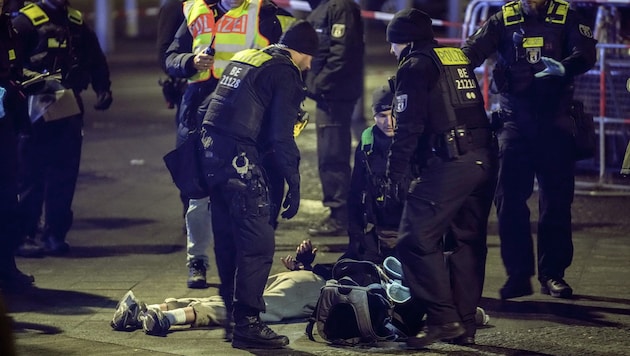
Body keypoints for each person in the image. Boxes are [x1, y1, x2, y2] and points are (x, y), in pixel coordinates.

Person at [461, 0, 597, 300]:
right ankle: (519, 275)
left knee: (556, 203)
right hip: (514, 125)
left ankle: (553, 274)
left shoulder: (567, 17)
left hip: (556, 122)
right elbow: (471, 52)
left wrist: (565, 67)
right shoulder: (503, 19)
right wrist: (449, 68)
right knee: (508, 200)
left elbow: (586, 54)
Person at [198, 20, 318, 349]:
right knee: (258, 241)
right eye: (309, 58)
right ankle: (248, 322)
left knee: (226, 239)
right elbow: (281, 138)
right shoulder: (286, 72)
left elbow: (205, 108)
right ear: (302, 52)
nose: (309, 65)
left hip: (213, 157)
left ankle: (232, 319)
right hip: (241, 161)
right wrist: (294, 184)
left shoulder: (247, 57)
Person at [385, 8, 498, 347]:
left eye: (392, 43)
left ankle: (443, 318)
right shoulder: (453, 56)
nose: (391, 51)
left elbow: (407, 127)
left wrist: (395, 173)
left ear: (403, 41)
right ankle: (464, 326)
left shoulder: (414, 66)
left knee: (414, 238)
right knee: (467, 243)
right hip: (484, 157)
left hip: (453, 160)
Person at [164, 0, 286, 289]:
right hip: (197, 113)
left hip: (243, 115)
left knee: (242, 190)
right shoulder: (198, 12)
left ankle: (242, 264)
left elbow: (281, 60)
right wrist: (189, 62)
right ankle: (197, 261)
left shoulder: (263, 13)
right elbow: (170, 57)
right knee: (197, 195)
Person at [11, 0, 113, 256]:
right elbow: (9, 66)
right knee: (29, 176)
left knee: (64, 175)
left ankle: (55, 234)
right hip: (32, 110)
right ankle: (24, 234)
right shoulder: (24, 22)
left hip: (67, 105)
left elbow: (94, 57)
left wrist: (103, 87)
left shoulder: (75, 21)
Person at [110, 240, 326, 335]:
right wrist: (305, 266)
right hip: (316, 286)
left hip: (311, 280)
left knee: (241, 301)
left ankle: (143, 312)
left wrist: (304, 266)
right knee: (254, 307)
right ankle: (166, 318)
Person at [304, 0, 365, 237]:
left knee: (332, 155)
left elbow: (341, 52)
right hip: (329, 93)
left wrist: (317, 85)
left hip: (334, 94)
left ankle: (340, 216)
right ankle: (341, 213)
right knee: (330, 153)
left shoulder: (340, 7)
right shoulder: (324, 6)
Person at [346, 85, 403, 264]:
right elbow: (355, 191)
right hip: (380, 231)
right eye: (382, 116)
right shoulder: (367, 143)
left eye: (393, 114)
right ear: (374, 115)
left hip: (412, 232)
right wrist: (355, 235)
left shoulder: (415, 139)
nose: (389, 122)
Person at [0, 0, 35, 290]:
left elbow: (11, 69)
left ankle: (6, 266)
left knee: (8, 197)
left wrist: (21, 86)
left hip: (5, 125)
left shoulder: (7, 24)